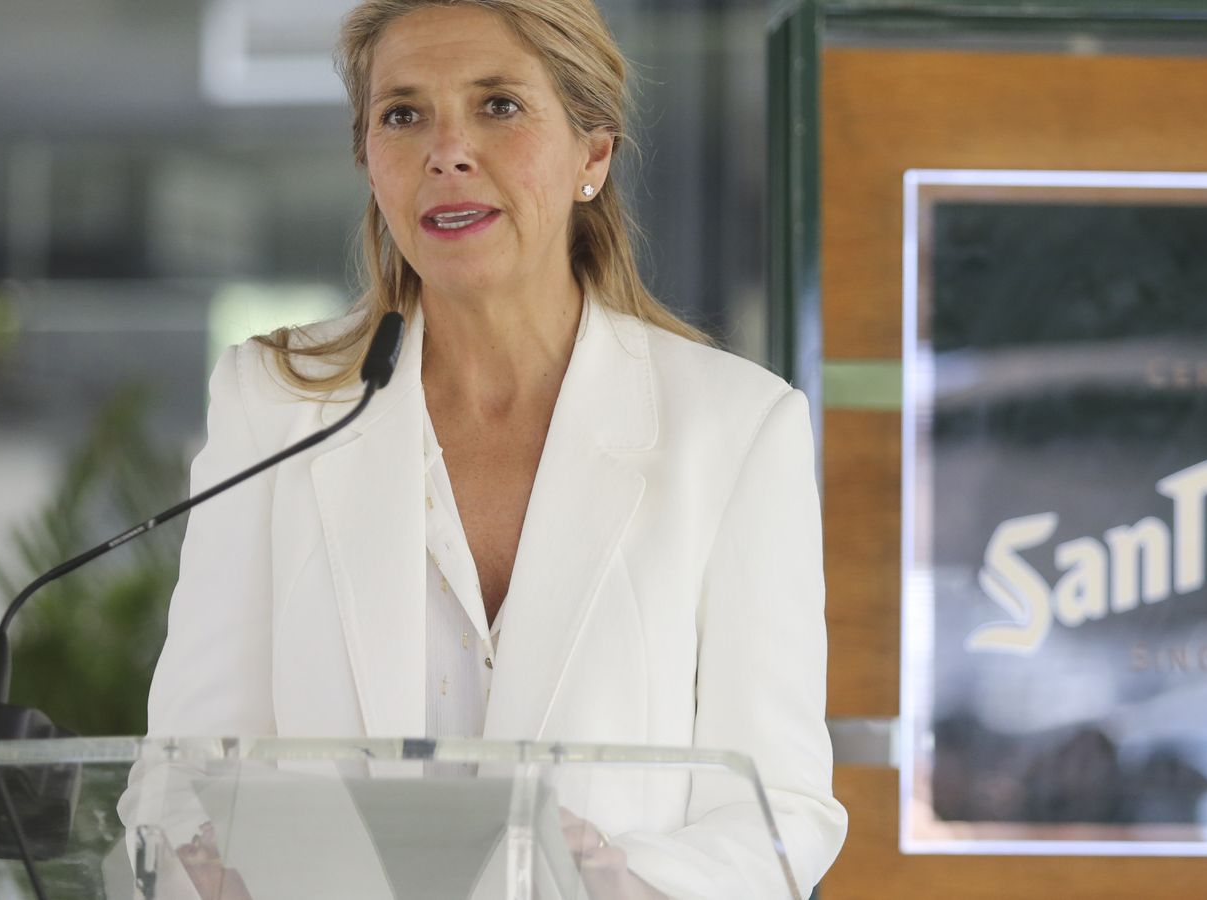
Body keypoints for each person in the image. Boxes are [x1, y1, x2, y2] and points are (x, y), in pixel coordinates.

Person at [139, 0, 846, 895]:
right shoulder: (275, 404)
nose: (447, 152)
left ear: (593, 153)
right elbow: (182, 771)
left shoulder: (737, 428)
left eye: (499, 105)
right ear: (368, 158)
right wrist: (201, 868)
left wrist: (621, 884)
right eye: (403, 114)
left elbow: (783, 809)